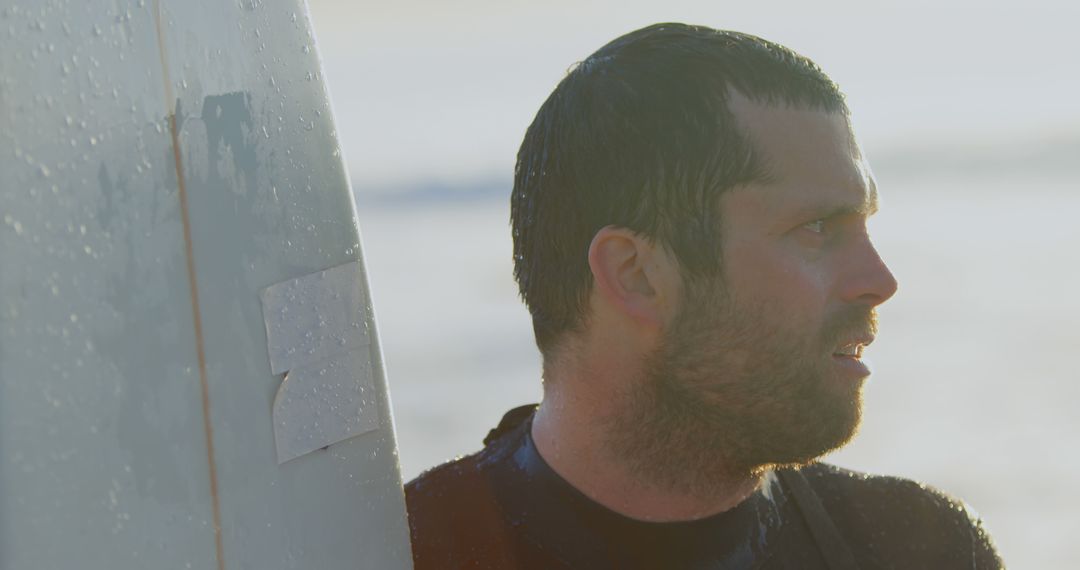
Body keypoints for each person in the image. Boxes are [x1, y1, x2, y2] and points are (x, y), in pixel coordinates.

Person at [404, 23, 1003, 569]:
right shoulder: (385, 549)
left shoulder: (918, 549)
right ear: (636, 274)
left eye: (864, 226)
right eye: (817, 228)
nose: (879, 279)